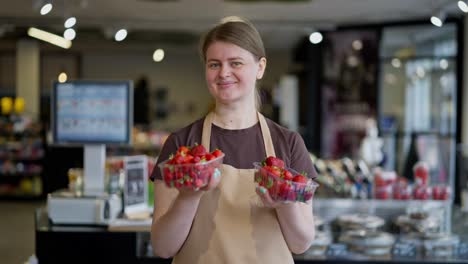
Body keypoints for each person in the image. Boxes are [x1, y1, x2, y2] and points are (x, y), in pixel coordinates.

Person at [150, 16, 316, 264]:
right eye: (214, 64)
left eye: (235, 63)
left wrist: (284, 205)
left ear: (260, 67)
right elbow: (163, 247)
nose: (224, 73)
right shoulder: (181, 144)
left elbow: (301, 244)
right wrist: (188, 196)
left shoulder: (288, 143)